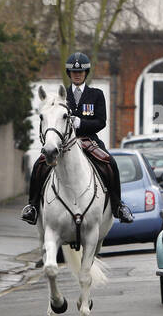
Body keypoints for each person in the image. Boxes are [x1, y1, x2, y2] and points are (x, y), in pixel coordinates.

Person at [21, 52, 133, 225]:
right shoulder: (61, 96)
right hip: (64, 143)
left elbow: (101, 121)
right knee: (39, 165)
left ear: (86, 73)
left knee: (110, 163)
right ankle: (33, 206)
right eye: (74, 72)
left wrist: (80, 123)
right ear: (69, 74)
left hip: (89, 139)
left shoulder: (96, 94)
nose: (77, 75)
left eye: (80, 72)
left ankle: (118, 205)